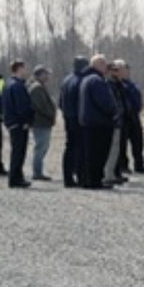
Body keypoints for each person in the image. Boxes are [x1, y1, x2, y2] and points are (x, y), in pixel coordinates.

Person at [78, 55, 120, 190]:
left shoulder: (86, 79)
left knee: (89, 154)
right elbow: (104, 102)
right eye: (104, 65)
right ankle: (95, 181)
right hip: (99, 123)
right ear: (99, 65)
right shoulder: (97, 81)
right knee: (98, 154)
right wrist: (114, 112)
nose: (106, 68)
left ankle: (88, 179)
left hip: (89, 122)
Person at [1, 60, 34, 189]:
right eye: (24, 68)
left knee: (17, 150)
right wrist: (27, 120)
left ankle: (17, 176)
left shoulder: (8, 84)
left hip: (11, 122)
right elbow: (22, 107)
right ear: (19, 69)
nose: (26, 71)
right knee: (19, 152)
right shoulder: (18, 86)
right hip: (19, 123)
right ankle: (15, 178)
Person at [58, 56, 90, 188]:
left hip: (68, 117)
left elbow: (60, 102)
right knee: (80, 149)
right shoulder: (82, 81)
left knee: (69, 147)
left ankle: (68, 178)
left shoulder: (66, 80)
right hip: (78, 118)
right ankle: (82, 177)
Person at [28, 66, 57, 181]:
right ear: (39, 75)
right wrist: (51, 115)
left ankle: (38, 171)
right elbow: (41, 106)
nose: (48, 76)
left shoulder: (40, 87)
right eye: (45, 74)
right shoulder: (36, 88)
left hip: (43, 122)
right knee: (40, 147)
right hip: (40, 122)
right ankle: (37, 172)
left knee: (43, 147)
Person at [103, 60, 130, 185]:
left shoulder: (119, 85)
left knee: (119, 150)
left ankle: (116, 172)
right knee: (111, 150)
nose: (117, 73)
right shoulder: (106, 84)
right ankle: (109, 174)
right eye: (114, 70)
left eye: (118, 70)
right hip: (113, 121)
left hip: (121, 120)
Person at [119, 62, 144, 174]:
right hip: (124, 117)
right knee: (122, 144)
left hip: (134, 116)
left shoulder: (132, 84)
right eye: (124, 70)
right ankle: (123, 165)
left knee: (138, 142)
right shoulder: (118, 84)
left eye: (127, 69)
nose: (126, 72)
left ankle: (139, 165)